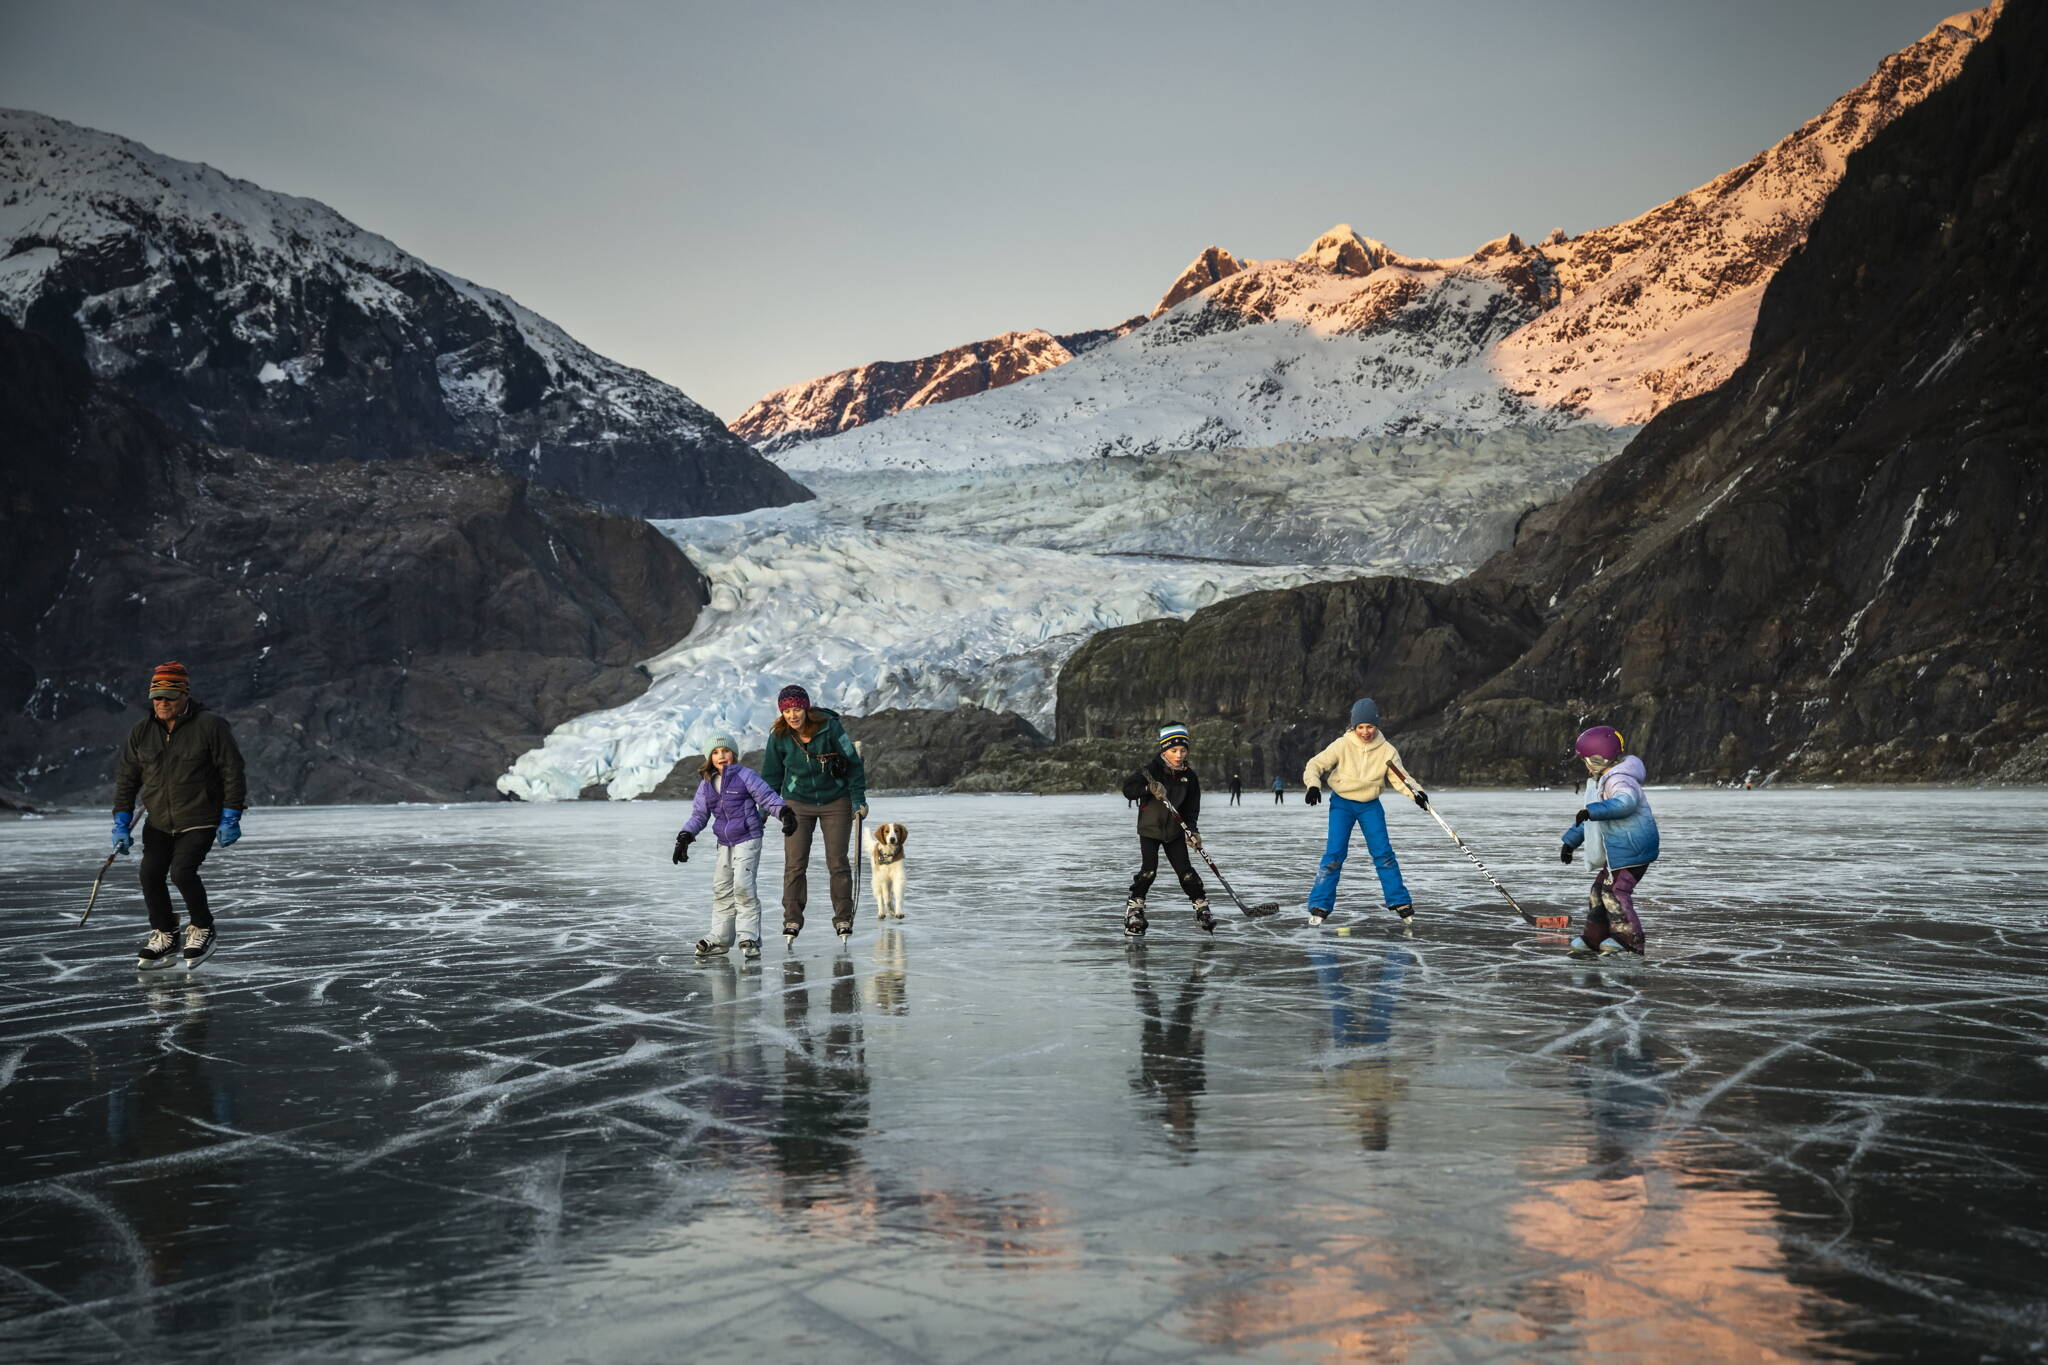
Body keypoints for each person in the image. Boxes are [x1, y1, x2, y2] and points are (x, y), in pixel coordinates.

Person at [110, 661, 246, 970]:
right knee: (149, 874)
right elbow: (128, 780)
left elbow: (232, 771)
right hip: (158, 821)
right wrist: (121, 821)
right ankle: (166, 934)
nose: (162, 703)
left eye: (169, 697)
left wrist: (231, 815)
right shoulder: (141, 733)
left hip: (200, 816)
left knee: (182, 872)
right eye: (157, 697)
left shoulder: (210, 726)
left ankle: (203, 928)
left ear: (185, 695)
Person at [1301, 698, 1426, 926]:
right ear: (1353, 726)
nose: (1365, 732)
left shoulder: (1387, 750)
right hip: (1342, 804)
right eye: (1360, 727)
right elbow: (1315, 765)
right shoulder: (1342, 744)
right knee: (1334, 854)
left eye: (1369, 726)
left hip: (1370, 805)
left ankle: (1399, 900)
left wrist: (1417, 793)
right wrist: (1313, 785)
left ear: (1376, 725)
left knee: (1383, 853)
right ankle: (1320, 904)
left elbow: (1402, 779)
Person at [761, 685, 866, 944]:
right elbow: (772, 775)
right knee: (795, 864)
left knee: (837, 862)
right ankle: (792, 919)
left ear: (806, 708)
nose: (792, 715)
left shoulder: (830, 728)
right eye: (787, 710)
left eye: (797, 709)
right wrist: (764, 808)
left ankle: (843, 918)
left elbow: (852, 763)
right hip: (797, 803)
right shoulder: (779, 736)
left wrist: (858, 799)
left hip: (836, 801)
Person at [674, 735, 785, 961]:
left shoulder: (745, 776)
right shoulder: (706, 783)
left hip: (748, 837)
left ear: (733, 753)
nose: (721, 756)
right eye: (715, 752)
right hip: (724, 842)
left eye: (725, 751)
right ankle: (720, 938)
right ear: (710, 757)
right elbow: (699, 815)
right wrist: (685, 836)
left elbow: (767, 798)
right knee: (721, 888)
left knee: (743, 887)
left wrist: (785, 813)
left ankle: (749, 937)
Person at [1560, 726, 1660, 955]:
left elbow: (1626, 803)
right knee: (1598, 891)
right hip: (1619, 850)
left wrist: (1593, 811)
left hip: (1633, 849)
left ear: (1598, 759)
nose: (1585, 764)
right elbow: (1591, 820)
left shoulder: (1619, 780)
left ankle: (1629, 941)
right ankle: (1595, 938)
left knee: (1615, 893)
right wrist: (1570, 842)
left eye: (1586, 760)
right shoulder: (1602, 780)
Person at [1119, 725, 1215, 937]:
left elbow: (1191, 810)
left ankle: (1201, 907)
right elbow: (1128, 790)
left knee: (1186, 871)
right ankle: (1134, 911)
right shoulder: (1150, 771)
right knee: (1149, 870)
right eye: (1174, 751)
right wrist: (1148, 789)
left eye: (1183, 750)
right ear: (1164, 751)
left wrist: (1192, 831)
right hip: (1150, 829)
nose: (1179, 755)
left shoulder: (1190, 777)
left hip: (1175, 831)